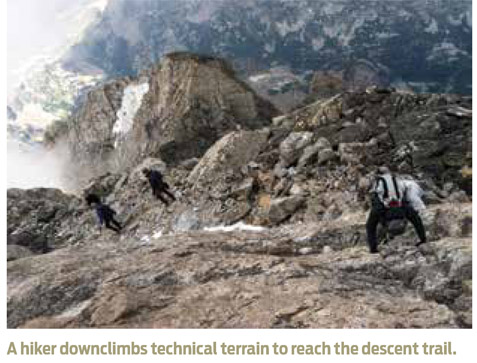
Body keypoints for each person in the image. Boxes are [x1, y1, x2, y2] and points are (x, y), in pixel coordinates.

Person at [366, 167, 427, 254]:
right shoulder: (396, 182)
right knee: (415, 218)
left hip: (387, 218)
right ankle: (423, 239)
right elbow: (417, 220)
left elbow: (378, 195)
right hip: (401, 216)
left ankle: (373, 248)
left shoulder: (378, 183)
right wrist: (423, 239)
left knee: (370, 226)